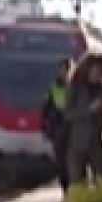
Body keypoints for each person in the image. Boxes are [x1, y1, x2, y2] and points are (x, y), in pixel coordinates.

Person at [64, 53, 102, 190]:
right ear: (87, 70)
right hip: (77, 142)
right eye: (95, 71)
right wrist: (89, 109)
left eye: (100, 72)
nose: (97, 75)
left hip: (97, 143)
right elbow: (68, 114)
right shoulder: (75, 88)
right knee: (77, 183)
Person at [41, 59, 73, 190]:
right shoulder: (53, 88)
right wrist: (47, 129)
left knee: (74, 164)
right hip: (59, 130)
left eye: (66, 70)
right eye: (62, 70)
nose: (64, 73)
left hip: (74, 130)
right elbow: (45, 110)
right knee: (61, 164)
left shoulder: (77, 86)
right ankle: (66, 191)